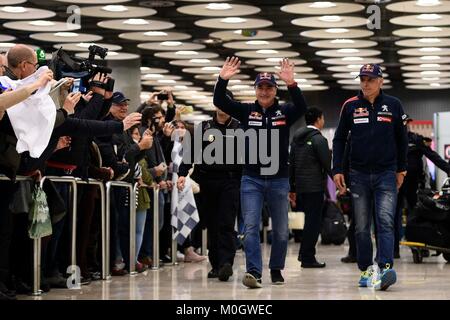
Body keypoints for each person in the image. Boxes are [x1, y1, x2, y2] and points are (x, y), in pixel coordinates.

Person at [213, 56, 308, 288]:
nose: (264, 91)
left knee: (281, 231)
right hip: (251, 179)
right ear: (255, 90)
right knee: (251, 228)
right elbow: (220, 101)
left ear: (275, 90)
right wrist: (222, 79)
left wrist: (292, 83)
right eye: (260, 87)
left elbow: (303, 108)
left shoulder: (284, 112)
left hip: (279, 179)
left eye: (269, 87)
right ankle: (254, 272)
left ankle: (276, 270)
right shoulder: (246, 111)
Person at [332, 63, 408, 291]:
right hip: (359, 174)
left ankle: (385, 268)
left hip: (386, 173)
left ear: (380, 81)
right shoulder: (350, 106)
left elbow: (402, 140)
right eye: (362, 79)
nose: (365, 83)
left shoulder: (394, 105)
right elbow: (338, 139)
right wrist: (337, 170)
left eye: (370, 79)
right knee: (362, 226)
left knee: (385, 223)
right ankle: (366, 270)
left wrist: (401, 169)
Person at [177, 100, 242, 281]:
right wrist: (182, 173)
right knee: (212, 224)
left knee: (227, 222)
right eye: (220, 103)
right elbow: (190, 152)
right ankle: (216, 265)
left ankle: (226, 263)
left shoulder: (239, 128)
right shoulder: (204, 127)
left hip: (230, 181)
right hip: (207, 180)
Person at [394, 115, 450, 257]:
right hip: (394, 184)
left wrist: (448, 169)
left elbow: (433, 156)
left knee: (418, 212)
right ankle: (394, 249)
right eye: (403, 123)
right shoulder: (389, 141)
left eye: (407, 123)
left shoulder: (416, 139)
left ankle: (421, 244)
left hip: (413, 184)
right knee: (394, 214)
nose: (406, 125)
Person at [289, 107, 331, 268]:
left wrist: (291, 188)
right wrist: (339, 182)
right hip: (314, 188)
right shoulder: (319, 140)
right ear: (319, 119)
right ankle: (307, 257)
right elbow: (327, 164)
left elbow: (291, 164)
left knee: (308, 222)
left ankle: (303, 254)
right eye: (323, 118)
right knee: (313, 223)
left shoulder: (296, 138)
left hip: (300, 187)